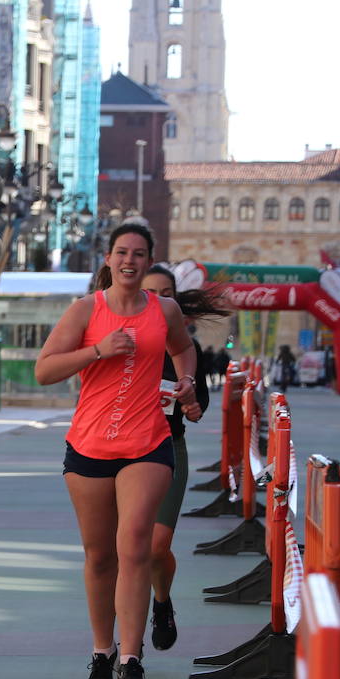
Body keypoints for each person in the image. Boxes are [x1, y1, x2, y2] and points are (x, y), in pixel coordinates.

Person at [34, 223, 197, 679]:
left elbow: (183, 348)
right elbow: (44, 370)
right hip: (89, 446)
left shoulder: (163, 310)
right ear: (107, 259)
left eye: (139, 254)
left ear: (149, 261)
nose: (130, 261)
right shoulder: (86, 310)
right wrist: (96, 350)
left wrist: (185, 381)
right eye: (122, 253)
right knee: (100, 555)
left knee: (135, 546)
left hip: (147, 443)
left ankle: (131, 658)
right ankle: (101, 652)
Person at [140, 265, 225, 653]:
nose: (158, 300)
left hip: (169, 448)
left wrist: (190, 406)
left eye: (166, 293)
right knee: (124, 549)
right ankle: (125, 648)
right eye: (150, 292)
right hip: (120, 452)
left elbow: (199, 403)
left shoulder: (184, 348)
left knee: (156, 547)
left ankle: (162, 602)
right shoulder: (120, 340)